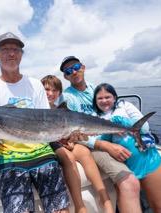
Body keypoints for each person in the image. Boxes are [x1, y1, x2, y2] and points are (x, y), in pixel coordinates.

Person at [0, 32, 70, 213]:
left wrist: (65, 134)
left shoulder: (35, 84)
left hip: (42, 153)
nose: (11, 54)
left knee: (61, 210)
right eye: (5, 49)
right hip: (9, 159)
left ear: (21, 54)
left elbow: (47, 122)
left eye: (15, 49)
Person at [60, 56, 142, 213]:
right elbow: (75, 133)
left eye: (76, 67)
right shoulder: (67, 98)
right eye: (69, 71)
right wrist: (105, 145)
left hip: (111, 137)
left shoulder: (95, 89)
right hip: (92, 145)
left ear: (83, 67)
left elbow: (110, 112)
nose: (74, 72)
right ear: (65, 76)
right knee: (129, 182)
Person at [93, 83, 161, 213]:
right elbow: (100, 142)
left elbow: (144, 127)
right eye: (100, 98)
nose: (104, 101)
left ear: (115, 97)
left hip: (148, 161)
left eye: (108, 97)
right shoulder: (95, 119)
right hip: (126, 168)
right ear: (95, 101)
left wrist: (119, 124)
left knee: (160, 207)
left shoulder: (125, 106)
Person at [41, 75, 114, 213]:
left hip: (62, 141)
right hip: (48, 144)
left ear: (60, 93)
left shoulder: (61, 109)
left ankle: (104, 198)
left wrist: (70, 141)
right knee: (69, 158)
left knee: (84, 152)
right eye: (46, 89)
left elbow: (68, 132)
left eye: (55, 90)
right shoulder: (37, 109)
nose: (50, 93)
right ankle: (80, 206)